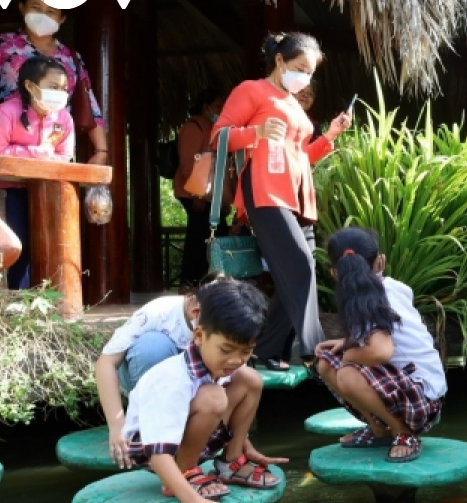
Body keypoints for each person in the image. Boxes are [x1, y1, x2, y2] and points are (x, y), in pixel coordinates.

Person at [212, 32, 352, 371]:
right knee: (300, 266)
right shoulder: (251, 90)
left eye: (310, 71)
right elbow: (218, 137)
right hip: (264, 191)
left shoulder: (292, 103)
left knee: (300, 272)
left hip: (298, 198)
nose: (305, 76)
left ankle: (268, 349)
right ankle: (316, 351)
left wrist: (330, 135)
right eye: (300, 67)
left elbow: (301, 155)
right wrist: (255, 133)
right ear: (279, 61)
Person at [121, 279, 285, 503]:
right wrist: (192, 501)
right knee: (213, 396)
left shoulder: (222, 367)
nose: (235, 359)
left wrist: (243, 444)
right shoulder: (171, 380)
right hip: (154, 451)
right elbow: (158, 454)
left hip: (189, 435)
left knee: (250, 379)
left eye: (246, 351)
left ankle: (231, 462)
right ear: (199, 335)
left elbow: (238, 391)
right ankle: (185, 472)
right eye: (227, 349)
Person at [311, 228, 447, 463]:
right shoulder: (388, 286)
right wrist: (347, 343)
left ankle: (403, 432)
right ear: (380, 262)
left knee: (346, 373)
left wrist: (348, 355)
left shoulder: (374, 298)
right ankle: (378, 429)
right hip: (417, 389)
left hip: (421, 401)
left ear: (334, 272)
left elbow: (382, 351)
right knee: (325, 363)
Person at [96, 276, 223, 469]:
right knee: (152, 346)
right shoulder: (158, 312)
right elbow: (106, 362)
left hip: (193, 390)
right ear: (193, 305)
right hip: (145, 380)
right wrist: (117, 427)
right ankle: (145, 426)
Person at [0, 0, 108, 164]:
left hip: (54, 155)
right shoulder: (0, 46)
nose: (43, 15)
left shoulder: (71, 58)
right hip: (7, 152)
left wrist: (101, 150)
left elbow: (91, 106)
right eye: (36, 7)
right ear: (22, 8)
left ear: (62, 19)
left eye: (51, 11)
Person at [0, 55, 75, 289]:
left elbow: (64, 156)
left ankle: (43, 300)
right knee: (16, 244)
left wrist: (31, 154)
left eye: (64, 88)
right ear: (30, 86)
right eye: (53, 87)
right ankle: (13, 299)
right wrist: (40, 153)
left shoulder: (64, 119)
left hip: (45, 190)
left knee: (48, 245)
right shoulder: (7, 112)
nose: (60, 93)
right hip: (7, 191)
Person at [174, 88, 230, 289]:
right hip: (196, 194)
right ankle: (190, 283)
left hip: (209, 194)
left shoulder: (212, 127)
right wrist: (196, 195)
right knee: (199, 239)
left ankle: (207, 282)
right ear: (205, 107)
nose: (221, 109)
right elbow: (188, 165)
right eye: (217, 106)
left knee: (211, 236)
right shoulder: (193, 128)